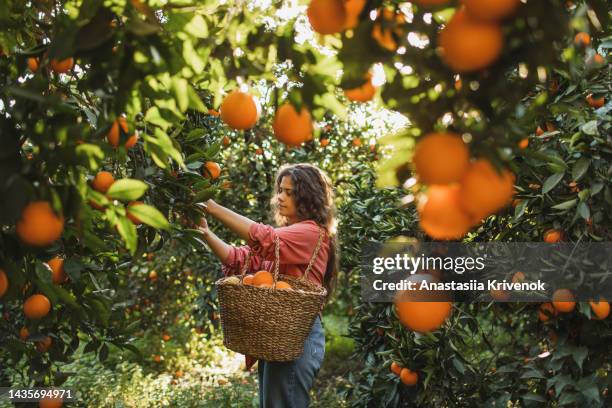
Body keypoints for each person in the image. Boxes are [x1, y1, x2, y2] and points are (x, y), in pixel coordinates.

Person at [196, 163, 338, 408]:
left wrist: (211, 206)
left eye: (289, 192)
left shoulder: (312, 232)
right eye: (280, 190)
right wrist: (206, 234)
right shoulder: (291, 234)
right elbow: (239, 259)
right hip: (280, 332)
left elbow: (266, 238)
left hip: (297, 335)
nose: (280, 197)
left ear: (307, 197)